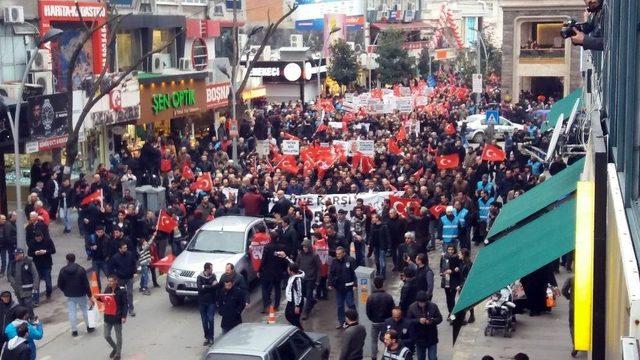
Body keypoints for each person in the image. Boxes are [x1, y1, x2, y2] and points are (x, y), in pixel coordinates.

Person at [57, 253, 95, 336]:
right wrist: (90, 296)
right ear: (74, 259)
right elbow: (86, 284)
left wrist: (65, 291)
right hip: (81, 293)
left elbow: (59, 284)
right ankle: (89, 327)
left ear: (67, 260)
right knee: (85, 310)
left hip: (70, 295)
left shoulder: (63, 270)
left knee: (72, 312)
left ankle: (74, 331)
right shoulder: (81, 269)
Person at [96, 275, 128, 360]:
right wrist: (97, 298)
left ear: (115, 281)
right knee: (106, 335)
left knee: (118, 336)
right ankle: (115, 348)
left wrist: (124, 316)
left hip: (117, 316)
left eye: (111, 281)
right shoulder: (107, 289)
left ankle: (118, 354)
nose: (109, 283)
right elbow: (104, 300)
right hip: (108, 316)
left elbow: (125, 304)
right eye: (108, 281)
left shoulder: (121, 290)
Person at [407, 291, 443, 360]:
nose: (422, 304)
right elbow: (408, 321)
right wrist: (418, 320)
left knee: (432, 357)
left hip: (431, 336)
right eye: (420, 302)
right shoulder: (412, 307)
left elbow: (440, 318)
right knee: (420, 357)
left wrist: (431, 321)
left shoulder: (433, 306)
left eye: (424, 302)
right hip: (419, 337)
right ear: (417, 301)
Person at [366, 276, 395, 360]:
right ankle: (387, 355)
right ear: (383, 284)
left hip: (375, 322)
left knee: (374, 340)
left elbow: (368, 312)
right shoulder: (388, 297)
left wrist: (372, 319)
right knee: (387, 340)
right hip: (386, 322)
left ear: (374, 285)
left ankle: (374, 356)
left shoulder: (370, 297)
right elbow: (392, 309)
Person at [328, 246, 357, 328]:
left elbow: (355, 273)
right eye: (337, 254)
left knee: (350, 304)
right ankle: (342, 322)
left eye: (340, 254)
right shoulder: (334, 262)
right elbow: (331, 273)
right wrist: (330, 283)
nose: (338, 255)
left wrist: (355, 284)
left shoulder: (350, 260)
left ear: (344, 253)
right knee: (340, 305)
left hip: (349, 287)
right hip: (339, 288)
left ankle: (353, 319)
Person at [258, 241, 288, 313]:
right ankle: (276, 305)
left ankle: (266, 305)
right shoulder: (282, 247)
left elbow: (263, 260)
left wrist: (259, 270)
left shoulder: (267, 247)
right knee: (277, 289)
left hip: (267, 272)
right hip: (278, 272)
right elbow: (284, 260)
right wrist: (284, 270)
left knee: (266, 289)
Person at [109, 242, 137, 317]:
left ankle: (131, 309)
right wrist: (114, 277)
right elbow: (111, 268)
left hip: (129, 277)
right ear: (119, 249)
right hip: (120, 279)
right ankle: (122, 309)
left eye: (126, 247)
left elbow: (134, 263)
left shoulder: (130, 254)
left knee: (129, 293)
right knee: (121, 294)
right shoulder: (115, 257)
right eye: (124, 248)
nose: (126, 249)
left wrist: (135, 272)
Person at [26, 231, 56, 304]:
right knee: (36, 283)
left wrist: (45, 251)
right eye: (36, 238)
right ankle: (36, 300)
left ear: (42, 237)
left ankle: (48, 294)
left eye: (39, 238)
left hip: (47, 264)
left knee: (48, 283)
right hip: (36, 265)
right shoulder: (32, 243)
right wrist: (35, 253)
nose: (38, 240)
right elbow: (29, 253)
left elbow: (53, 250)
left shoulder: (48, 241)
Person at [295, 239, 321, 319]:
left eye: (306, 247)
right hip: (301, 278)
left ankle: (306, 312)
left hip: (311, 278)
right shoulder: (300, 255)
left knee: (309, 294)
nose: (304, 249)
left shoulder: (315, 255)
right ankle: (312, 301)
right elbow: (296, 265)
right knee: (302, 294)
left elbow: (319, 268)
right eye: (303, 247)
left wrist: (317, 280)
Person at [7, 249, 38, 315]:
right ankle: (24, 320)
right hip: (17, 289)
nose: (15, 256)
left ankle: (31, 318)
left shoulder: (29, 262)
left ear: (22, 254)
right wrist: (13, 282)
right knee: (21, 306)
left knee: (28, 305)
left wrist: (35, 287)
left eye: (17, 255)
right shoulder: (13, 263)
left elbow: (35, 275)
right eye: (15, 255)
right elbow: (9, 275)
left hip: (28, 289)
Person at [196, 262, 218, 345]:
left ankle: (211, 337)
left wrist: (205, 286)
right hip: (202, 302)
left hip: (211, 302)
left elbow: (216, 286)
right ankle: (207, 337)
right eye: (211, 268)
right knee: (204, 321)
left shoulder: (213, 276)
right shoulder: (199, 277)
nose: (212, 270)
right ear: (207, 269)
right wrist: (210, 286)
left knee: (210, 319)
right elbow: (199, 288)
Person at [440, 245, 462, 318]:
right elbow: (441, 266)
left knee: (452, 298)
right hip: (446, 280)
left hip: (454, 280)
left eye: (452, 249)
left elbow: (459, 269)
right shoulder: (443, 257)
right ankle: (450, 312)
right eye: (449, 249)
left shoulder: (456, 257)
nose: (450, 251)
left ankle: (453, 313)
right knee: (448, 298)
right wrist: (442, 272)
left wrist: (452, 271)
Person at [562, 276, 579, 357]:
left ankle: (576, 344)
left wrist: (569, 297)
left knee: (573, 325)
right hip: (586, 305)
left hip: (574, 305)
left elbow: (564, 290)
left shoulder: (572, 278)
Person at [284, 263, 305, 329]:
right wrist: (285, 257)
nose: (287, 270)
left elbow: (299, 293)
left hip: (294, 303)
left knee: (290, 316)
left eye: (288, 269)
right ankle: (298, 331)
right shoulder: (293, 277)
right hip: (291, 301)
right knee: (293, 319)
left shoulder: (297, 280)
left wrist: (297, 306)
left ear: (292, 271)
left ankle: (301, 331)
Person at [369, 213, 390, 279]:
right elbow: (371, 237)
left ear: (377, 218)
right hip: (375, 246)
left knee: (383, 263)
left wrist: (389, 247)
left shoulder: (384, 226)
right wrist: (370, 245)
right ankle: (378, 271)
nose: (372, 219)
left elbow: (387, 237)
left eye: (373, 217)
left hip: (382, 246)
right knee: (377, 261)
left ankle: (383, 275)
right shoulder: (372, 226)